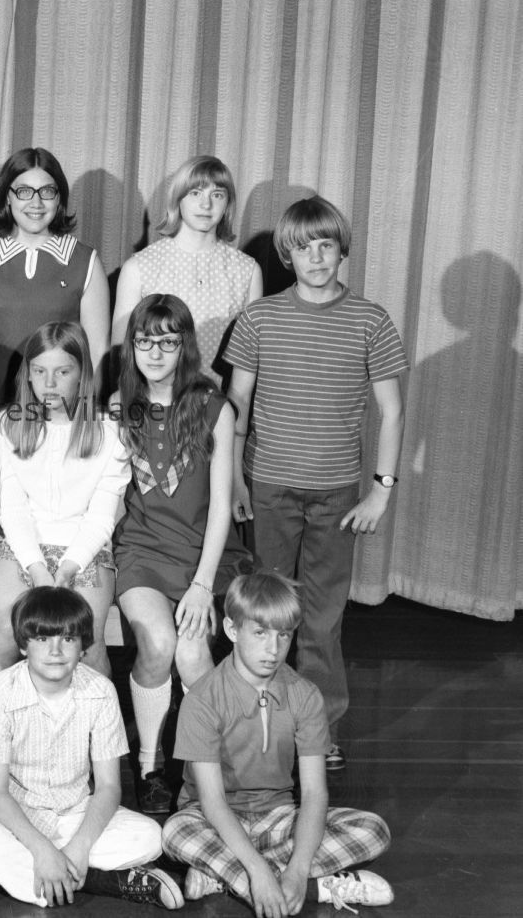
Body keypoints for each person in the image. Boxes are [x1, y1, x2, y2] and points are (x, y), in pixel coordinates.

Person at [224, 196, 407, 771]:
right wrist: (234, 481)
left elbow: (393, 411)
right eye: (304, 248)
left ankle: (318, 729)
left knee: (322, 619)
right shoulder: (260, 318)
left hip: (336, 495)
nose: (317, 257)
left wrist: (381, 490)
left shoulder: (370, 320)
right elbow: (237, 403)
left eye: (327, 245)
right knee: (266, 614)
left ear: (342, 250)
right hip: (268, 487)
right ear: (288, 255)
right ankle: (261, 726)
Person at [162, 572, 394, 914]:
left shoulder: (305, 695)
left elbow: (314, 794)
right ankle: (316, 888)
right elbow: (212, 802)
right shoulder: (203, 699)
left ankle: (228, 877)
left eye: (283, 635)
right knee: (175, 832)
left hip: (278, 817)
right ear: (232, 630)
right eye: (260, 633)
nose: (273, 649)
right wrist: (258, 870)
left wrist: (298, 870)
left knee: (373, 830)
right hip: (213, 819)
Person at [0, 587, 181, 910]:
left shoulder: (101, 691)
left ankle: (16, 875)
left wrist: (80, 846)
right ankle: (102, 880)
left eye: (68, 639)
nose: (56, 650)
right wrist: (42, 849)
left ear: (83, 646)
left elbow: (108, 787)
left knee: (149, 837)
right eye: (42, 638)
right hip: (17, 815)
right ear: (23, 645)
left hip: (76, 813)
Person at [112, 294, 251, 814]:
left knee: (193, 655)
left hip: (205, 556)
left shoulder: (215, 408)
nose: (154, 353)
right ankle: (149, 766)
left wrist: (201, 585)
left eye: (167, 342)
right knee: (157, 643)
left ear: (185, 347)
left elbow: (220, 509)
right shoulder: (119, 405)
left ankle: (201, 770)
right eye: (144, 341)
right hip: (143, 551)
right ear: (132, 346)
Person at [0, 322, 130, 677]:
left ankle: (93, 714)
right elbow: (13, 511)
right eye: (39, 371)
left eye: (62, 372)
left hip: (84, 549)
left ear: (82, 375)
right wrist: (37, 569)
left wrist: (68, 568)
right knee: (6, 630)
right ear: (27, 373)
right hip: (19, 545)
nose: (49, 384)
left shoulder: (109, 433)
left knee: (86, 639)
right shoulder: (3, 425)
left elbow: (101, 518)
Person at [0, 147, 109, 411]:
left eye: (47, 192)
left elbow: (97, 353)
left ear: (59, 198)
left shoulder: (85, 261)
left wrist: (84, 414)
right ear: (7, 197)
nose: (36, 202)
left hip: (60, 413)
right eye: (24, 191)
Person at [110, 155, 261, 379]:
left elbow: (248, 363)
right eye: (195, 193)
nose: (206, 205)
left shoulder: (247, 271)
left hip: (218, 397)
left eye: (217, 195)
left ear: (227, 204)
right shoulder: (139, 267)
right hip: (153, 397)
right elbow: (121, 353)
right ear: (178, 199)